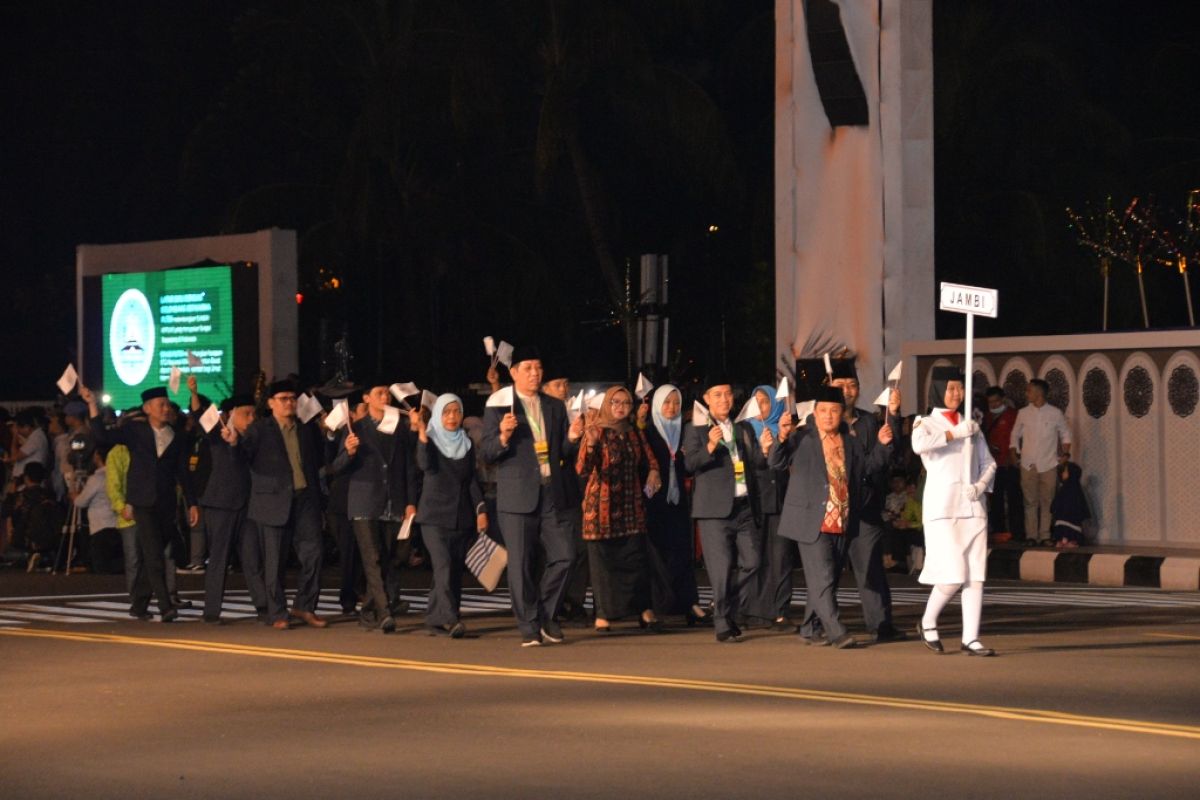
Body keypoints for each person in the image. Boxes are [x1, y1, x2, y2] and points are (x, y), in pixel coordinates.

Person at [768, 386, 894, 649]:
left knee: (827, 579)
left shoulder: (850, 441)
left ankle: (809, 627)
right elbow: (777, 463)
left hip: (843, 519)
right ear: (815, 413)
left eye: (834, 411)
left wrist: (883, 446)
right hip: (810, 520)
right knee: (823, 576)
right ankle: (837, 631)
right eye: (823, 410)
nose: (828, 416)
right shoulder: (802, 437)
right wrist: (781, 436)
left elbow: (868, 469)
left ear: (842, 414)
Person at [481, 345, 583, 647]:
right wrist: (502, 436)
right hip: (517, 496)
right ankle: (528, 625)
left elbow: (561, 451)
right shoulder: (500, 405)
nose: (535, 373)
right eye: (528, 368)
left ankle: (545, 613)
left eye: (538, 367)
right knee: (522, 564)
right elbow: (487, 453)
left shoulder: (553, 405)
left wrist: (573, 438)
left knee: (566, 555)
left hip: (551, 491)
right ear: (513, 373)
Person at [82, 385, 199, 622]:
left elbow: (182, 472)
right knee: (154, 555)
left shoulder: (176, 435)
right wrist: (92, 404)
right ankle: (166, 606)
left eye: (167, 404)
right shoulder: (135, 431)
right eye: (161, 405)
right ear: (147, 409)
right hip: (142, 502)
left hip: (166, 504)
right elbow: (103, 435)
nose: (166, 409)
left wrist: (192, 503)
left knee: (152, 556)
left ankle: (138, 604)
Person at [911, 366, 998, 657]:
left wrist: (981, 484)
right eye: (950, 388)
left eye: (959, 388)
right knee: (952, 574)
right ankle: (927, 620)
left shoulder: (971, 425)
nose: (956, 393)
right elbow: (918, 446)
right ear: (937, 390)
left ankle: (971, 638)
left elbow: (989, 463)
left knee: (975, 575)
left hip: (973, 507)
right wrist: (953, 433)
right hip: (942, 508)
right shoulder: (925, 423)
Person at [234, 379, 329, 631]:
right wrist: (233, 441)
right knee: (274, 560)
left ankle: (304, 605)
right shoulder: (259, 429)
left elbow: (319, 460)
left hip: (305, 499)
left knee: (314, 553)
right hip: (272, 501)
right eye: (283, 398)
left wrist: (329, 433)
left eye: (292, 398)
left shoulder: (306, 429)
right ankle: (277, 611)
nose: (289, 403)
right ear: (271, 403)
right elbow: (244, 457)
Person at [332, 379, 420, 633]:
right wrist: (347, 453)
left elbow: (409, 467)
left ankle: (369, 608)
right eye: (379, 393)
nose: (385, 398)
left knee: (393, 558)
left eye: (387, 394)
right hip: (364, 503)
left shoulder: (400, 429)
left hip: (394, 501)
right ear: (367, 399)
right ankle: (384, 612)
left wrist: (411, 502)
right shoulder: (355, 428)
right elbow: (336, 468)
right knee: (372, 558)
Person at [828, 360, 906, 642]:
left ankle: (881, 624)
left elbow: (891, 452)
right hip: (832, 509)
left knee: (871, 568)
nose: (847, 391)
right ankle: (821, 625)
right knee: (827, 571)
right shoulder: (820, 422)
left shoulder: (870, 421)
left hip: (865, 508)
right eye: (840, 386)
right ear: (829, 387)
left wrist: (894, 415)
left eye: (852, 386)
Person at [576, 386, 663, 632]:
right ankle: (603, 615)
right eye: (615, 402)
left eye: (626, 403)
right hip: (601, 506)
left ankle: (643, 609)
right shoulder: (597, 431)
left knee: (636, 558)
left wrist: (654, 470)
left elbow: (649, 457)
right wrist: (591, 444)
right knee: (603, 563)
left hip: (630, 504)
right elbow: (582, 469)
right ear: (606, 405)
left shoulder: (634, 432)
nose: (621, 407)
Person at [683, 375, 762, 643]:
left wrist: (775, 442)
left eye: (727, 394)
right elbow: (689, 464)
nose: (724, 399)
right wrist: (710, 446)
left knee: (752, 562)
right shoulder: (696, 428)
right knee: (721, 569)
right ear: (706, 399)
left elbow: (755, 463)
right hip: (713, 511)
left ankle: (725, 607)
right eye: (717, 395)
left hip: (743, 507)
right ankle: (722, 624)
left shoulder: (743, 428)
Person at [411, 394, 488, 638]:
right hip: (433, 516)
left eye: (456, 411)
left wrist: (481, 510)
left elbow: (471, 482)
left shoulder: (465, 444)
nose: (452, 417)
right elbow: (425, 466)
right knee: (443, 564)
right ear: (438, 415)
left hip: (461, 517)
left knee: (452, 570)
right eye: (446, 412)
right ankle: (450, 618)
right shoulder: (430, 440)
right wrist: (422, 434)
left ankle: (436, 617)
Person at [194, 393, 268, 624]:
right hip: (221, 505)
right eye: (246, 413)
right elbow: (200, 415)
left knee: (251, 557)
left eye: (253, 413)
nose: (251, 418)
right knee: (219, 557)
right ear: (231, 414)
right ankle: (212, 610)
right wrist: (194, 394)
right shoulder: (217, 433)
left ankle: (263, 606)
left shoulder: (254, 439)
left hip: (247, 505)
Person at [640, 384, 707, 625]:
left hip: (678, 502)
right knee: (654, 556)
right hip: (653, 500)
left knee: (682, 553)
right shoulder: (647, 432)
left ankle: (690, 604)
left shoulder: (684, 431)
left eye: (676, 402)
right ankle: (651, 607)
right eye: (666, 402)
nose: (671, 407)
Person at [738, 384, 793, 630]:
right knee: (754, 557)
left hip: (782, 501)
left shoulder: (787, 430)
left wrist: (780, 442)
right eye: (756, 401)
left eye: (765, 401)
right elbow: (743, 466)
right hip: (755, 502)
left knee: (781, 558)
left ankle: (780, 611)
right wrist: (762, 450)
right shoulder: (746, 430)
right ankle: (752, 609)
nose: (760, 406)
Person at [1010, 378, 1071, 546]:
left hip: (1049, 463)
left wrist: (1065, 453)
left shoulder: (1055, 413)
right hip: (1028, 463)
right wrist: (1014, 452)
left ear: (1039, 392)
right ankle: (1031, 535)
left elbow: (1065, 434)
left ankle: (1044, 535)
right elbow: (1015, 435)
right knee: (1030, 502)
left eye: (1029, 390)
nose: (1026, 393)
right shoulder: (1023, 413)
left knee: (1047, 501)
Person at [70, 447, 122, 574]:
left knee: (101, 569)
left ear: (98, 457)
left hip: (100, 528)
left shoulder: (97, 478)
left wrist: (73, 491)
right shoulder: (117, 475)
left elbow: (80, 502)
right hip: (117, 525)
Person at [982, 386, 1020, 542]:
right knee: (995, 499)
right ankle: (999, 530)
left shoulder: (1013, 415)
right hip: (993, 464)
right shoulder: (986, 417)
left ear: (1003, 399)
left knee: (1014, 498)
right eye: (990, 402)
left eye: (996, 401)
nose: (994, 405)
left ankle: (1017, 531)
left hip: (1009, 462)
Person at [1050, 461, 1090, 549]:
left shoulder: (1067, 488)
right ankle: (1066, 540)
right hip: (1069, 519)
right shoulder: (1074, 489)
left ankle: (1065, 541)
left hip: (1067, 518)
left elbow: (1057, 501)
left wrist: (1053, 508)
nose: (1063, 473)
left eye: (1065, 471)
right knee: (1065, 529)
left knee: (1066, 529)